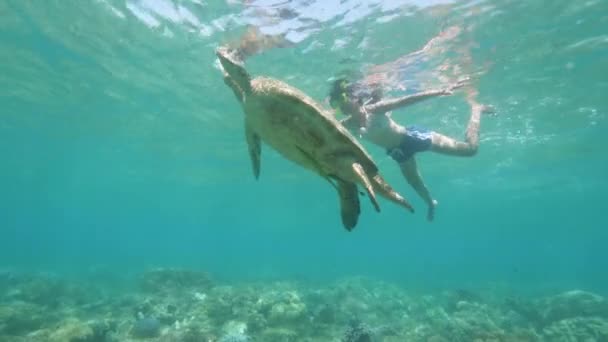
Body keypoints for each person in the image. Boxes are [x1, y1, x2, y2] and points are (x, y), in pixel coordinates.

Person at [328, 77, 493, 222]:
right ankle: (430, 203)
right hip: (398, 152)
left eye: (342, 99)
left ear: (355, 98)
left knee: (470, 150)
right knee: (414, 182)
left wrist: (439, 91)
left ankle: (477, 110)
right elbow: (328, 131)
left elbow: (405, 101)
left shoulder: (375, 109)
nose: (340, 106)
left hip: (413, 137)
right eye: (335, 103)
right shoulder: (347, 125)